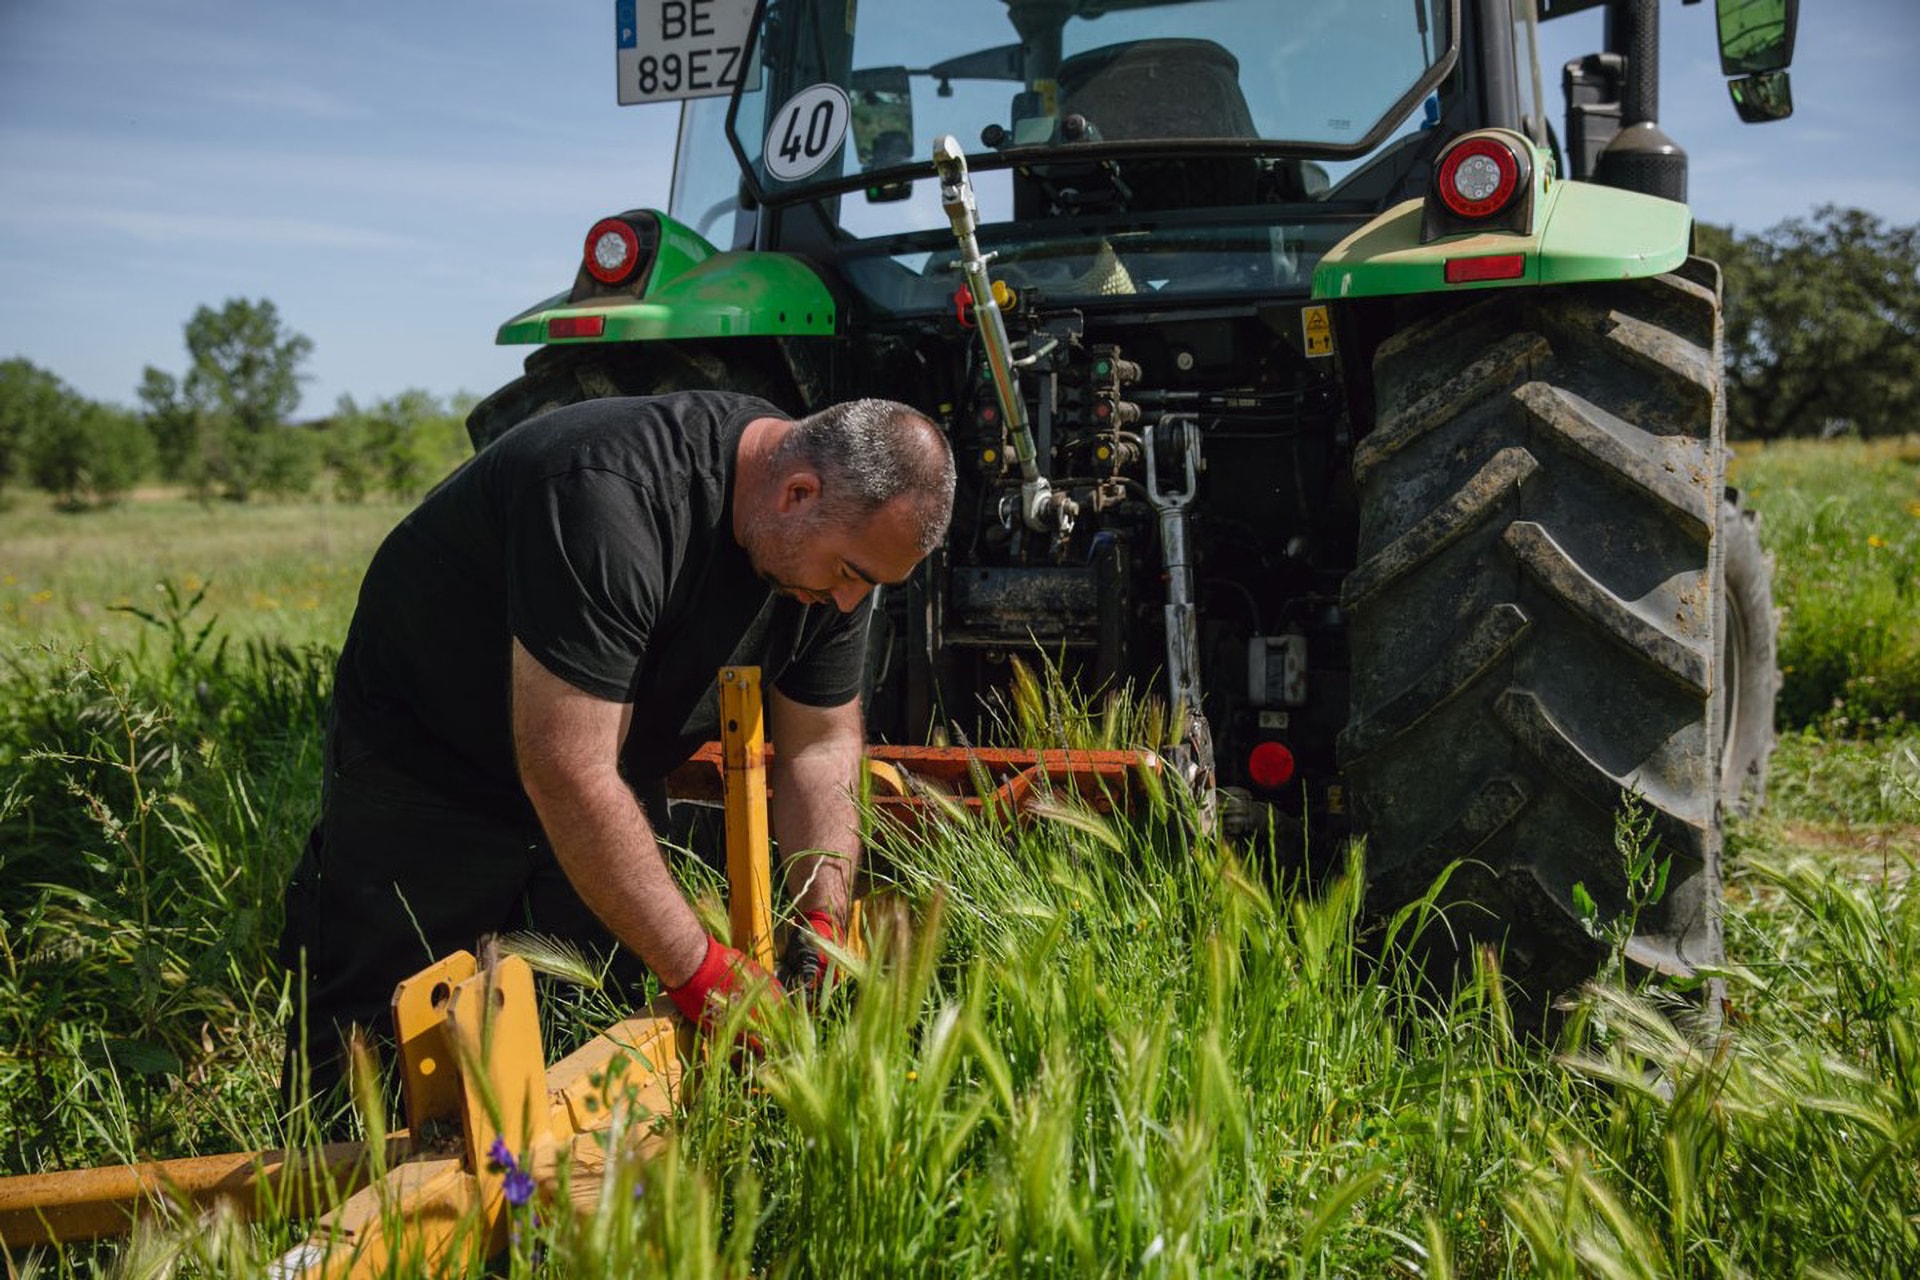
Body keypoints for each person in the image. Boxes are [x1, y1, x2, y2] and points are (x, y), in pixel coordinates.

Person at [279, 391, 955, 1101]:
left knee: (591, 1048)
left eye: (872, 586)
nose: (852, 602)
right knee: (375, 1063)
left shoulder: (837, 562)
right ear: (797, 493)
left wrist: (823, 918)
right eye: (850, 574)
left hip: (607, 773)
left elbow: (819, 745)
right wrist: (700, 970)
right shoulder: (608, 495)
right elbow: (566, 768)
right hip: (431, 764)